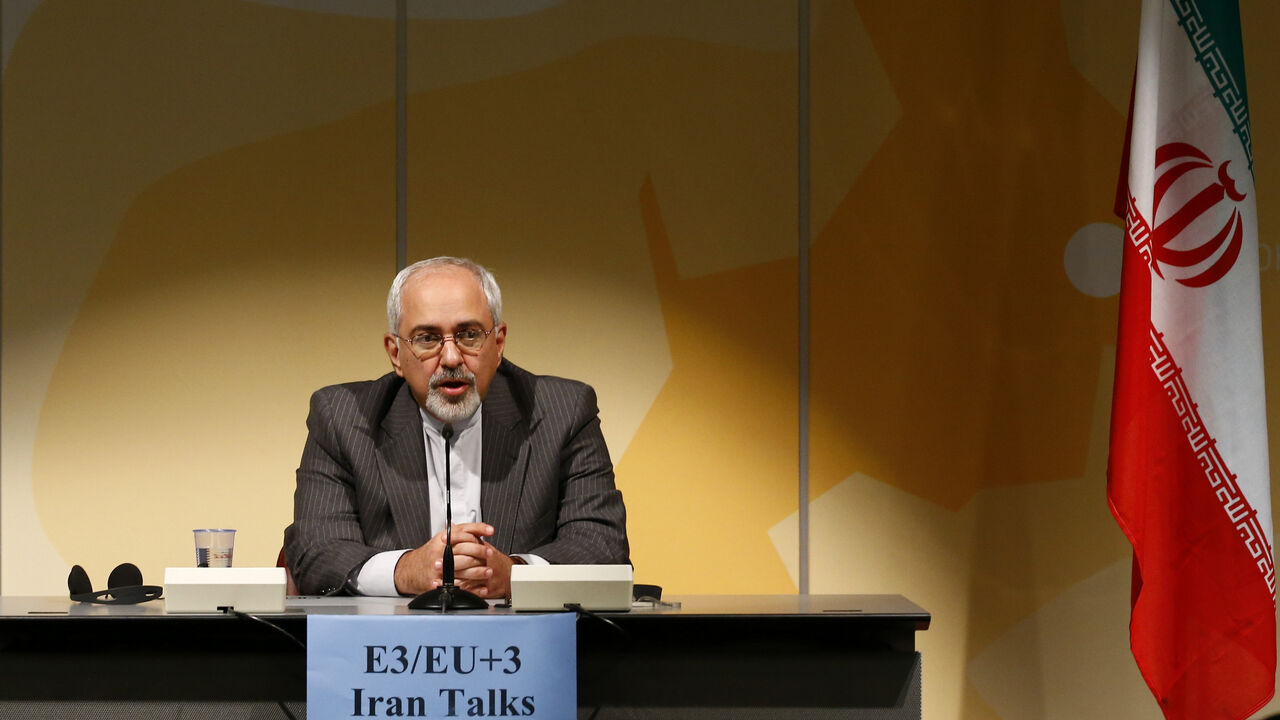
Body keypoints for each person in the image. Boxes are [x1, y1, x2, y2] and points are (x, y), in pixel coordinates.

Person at [284, 257, 629, 598]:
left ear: (499, 342)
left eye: (469, 335)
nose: (451, 358)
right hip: (388, 645)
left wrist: (517, 576)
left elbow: (603, 548)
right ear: (395, 353)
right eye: (427, 338)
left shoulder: (563, 412)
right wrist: (406, 570)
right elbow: (316, 552)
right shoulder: (343, 417)